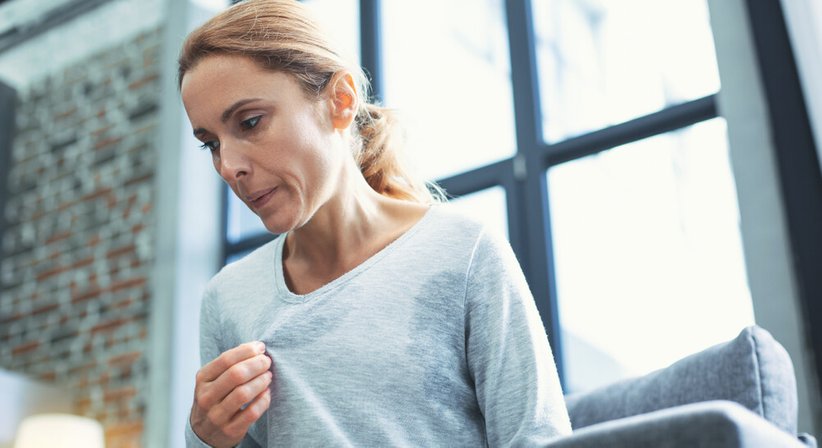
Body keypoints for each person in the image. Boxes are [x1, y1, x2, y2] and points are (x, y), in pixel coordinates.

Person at [178, 0, 572, 446]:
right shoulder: (227, 299)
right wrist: (205, 437)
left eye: (250, 122)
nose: (228, 166)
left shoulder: (463, 251)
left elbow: (537, 438)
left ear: (340, 102)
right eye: (210, 144)